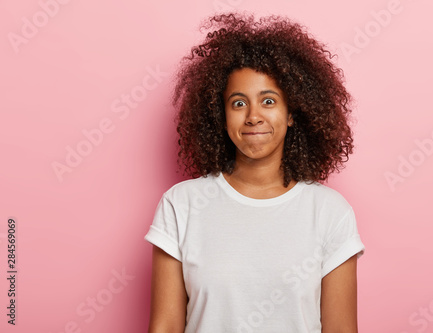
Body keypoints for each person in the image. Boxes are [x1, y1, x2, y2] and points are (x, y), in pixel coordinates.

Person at [144, 12, 365, 333]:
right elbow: (164, 326)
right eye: (238, 103)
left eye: (269, 101)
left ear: (292, 113)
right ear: (220, 115)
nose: (253, 116)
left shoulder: (330, 212)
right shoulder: (181, 205)